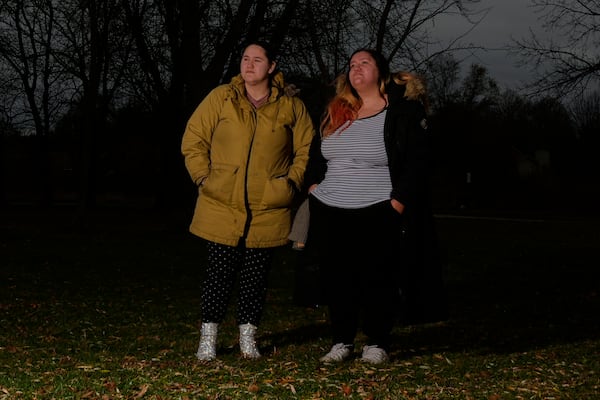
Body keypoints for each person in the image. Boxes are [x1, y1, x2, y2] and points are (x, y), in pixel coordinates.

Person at [304, 48, 444, 364]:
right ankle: (341, 340)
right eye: (352, 64)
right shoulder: (336, 109)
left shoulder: (402, 111)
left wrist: (398, 201)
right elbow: (316, 155)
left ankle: (377, 341)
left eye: (364, 63)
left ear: (380, 71)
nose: (356, 68)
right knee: (338, 276)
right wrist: (313, 186)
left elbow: (419, 161)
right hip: (331, 206)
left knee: (376, 276)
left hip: (378, 206)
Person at [181, 41, 315, 361]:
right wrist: (204, 177)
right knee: (219, 274)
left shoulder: (291, 107)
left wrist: (292, 182)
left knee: (255, 277)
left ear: (271, 67)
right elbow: (194, 138)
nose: (249, 65)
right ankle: (208, 338)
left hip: (268, 207)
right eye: (244, 59)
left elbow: (306, 149)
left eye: (257, 60)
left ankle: (247, 339)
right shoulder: (221, 98)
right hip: (222, 203)